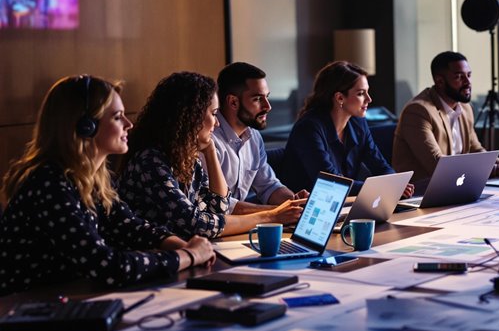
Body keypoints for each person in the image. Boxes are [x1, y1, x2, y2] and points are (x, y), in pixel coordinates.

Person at [0, 76, 214, 295]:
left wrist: (181, 245)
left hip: (66, 296)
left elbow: (127, 226)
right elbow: (110, 267)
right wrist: (189, 256)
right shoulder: (50, 183)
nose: (128, 124)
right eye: (117, 117)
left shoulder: (93, 177)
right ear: (86, 127)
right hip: (22, 304)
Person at [119, 72, 304, 239]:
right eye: (214, 114)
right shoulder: (152, 161)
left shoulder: (187, 158)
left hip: (182, 249)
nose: (217, 123)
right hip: (152, 254)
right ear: (190, 116)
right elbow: (196, 224)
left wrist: (210, 152)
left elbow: (219, 208)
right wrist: (272, 216)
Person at [392, 51, 499, 184]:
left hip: (458, 185)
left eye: (469, 75)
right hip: (422, 192)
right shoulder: (418, 111)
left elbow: (476, 150)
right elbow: (438, 165)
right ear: (440, 81)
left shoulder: (465, 108)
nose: (468, 82)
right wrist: (497, 170)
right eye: (459, 77)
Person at [280, 61, 414, 197]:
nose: (369, 99)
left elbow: (380, 165)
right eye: (361, 93)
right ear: (340, 98)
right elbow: (331, 183)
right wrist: (382, 187)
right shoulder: (308, 128)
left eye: (367, 92)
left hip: (343, 202)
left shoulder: (358, 123)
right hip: (306, 206)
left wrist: (395, 184)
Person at [210, 62, 309, 216]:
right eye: (257, 99)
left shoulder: (254, 136)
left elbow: (269, 186)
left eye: (267, 97)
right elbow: (220, 206)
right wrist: (277, 212)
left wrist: (295, 203)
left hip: (241, 225)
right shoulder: (209, 141)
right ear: (233, 102)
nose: (268, 106)